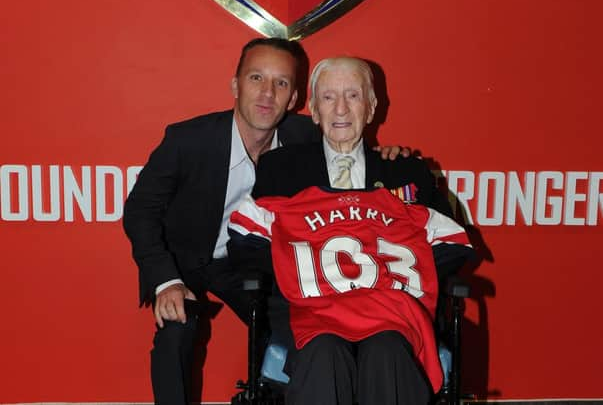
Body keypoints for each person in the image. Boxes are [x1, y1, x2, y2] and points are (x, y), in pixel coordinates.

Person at [122, 39, 402, 405]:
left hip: (255, 262)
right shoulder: (188, 141)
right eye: (256, 78)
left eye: (281, 83)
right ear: (236, 86)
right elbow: (140, 210)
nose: (267, 94)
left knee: (290, 330)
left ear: (295, 97)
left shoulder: (303, 136)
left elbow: (350, 146)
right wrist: (166, 281)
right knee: (175, 332)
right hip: (187, 261)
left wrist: (393, 157)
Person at [229, 56, 471, 405]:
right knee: (323, 351)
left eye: (353, 96)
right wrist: (308, 273)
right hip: (313, 312)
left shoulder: (405, 170)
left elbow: (448, 243)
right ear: (313, 109)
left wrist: (396, 276)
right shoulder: (281, 169)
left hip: (391, 312)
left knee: (386, 348)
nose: (340, 108)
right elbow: (251, 244)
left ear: (371, 108)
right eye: (328, 97)